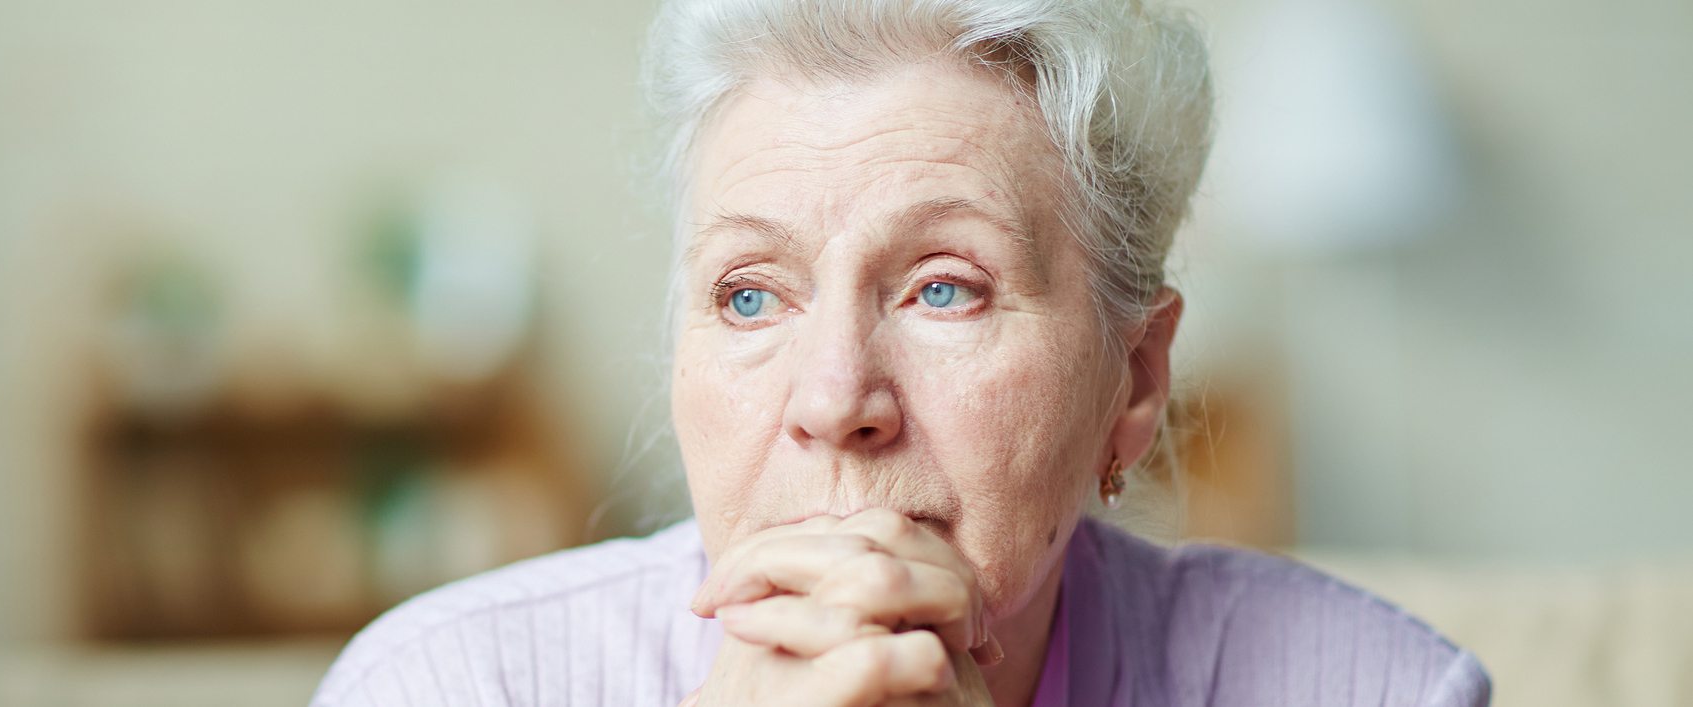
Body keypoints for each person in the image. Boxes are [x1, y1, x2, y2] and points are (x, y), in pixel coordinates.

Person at [311, 0, 1491, 704]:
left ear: (1131, 382)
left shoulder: (1370, 688)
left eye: (945, 289)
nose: (835, 399)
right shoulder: (451, 686)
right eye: (749, 295)